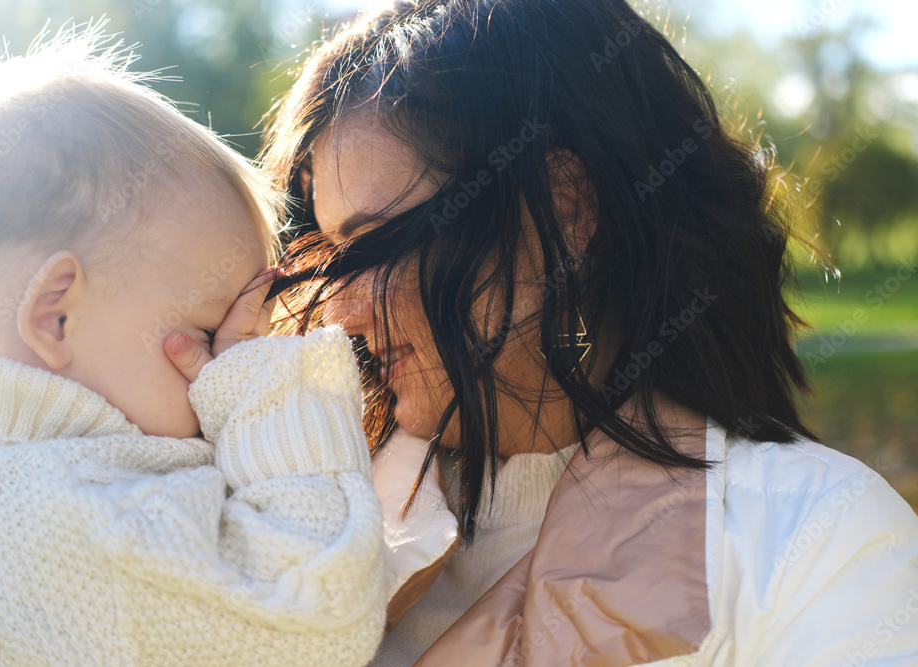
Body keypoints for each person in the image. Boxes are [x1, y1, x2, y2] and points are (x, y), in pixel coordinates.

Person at [260, 0, 918, 664]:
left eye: (378, 246)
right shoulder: (298, 516)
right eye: (331, 257)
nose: (341, 313)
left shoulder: (817, 537)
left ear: (565, 205)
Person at [0, 27, 386, 665]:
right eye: (202, 335)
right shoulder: (76, 518)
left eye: (231, 348)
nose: (220, 362)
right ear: (55, 317)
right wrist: (264, 387)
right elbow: (315, 615)